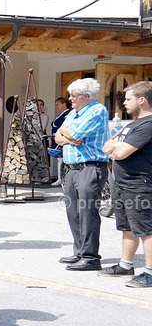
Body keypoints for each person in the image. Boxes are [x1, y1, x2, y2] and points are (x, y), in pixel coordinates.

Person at [55, 77, 110, 271]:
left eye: (74, 95)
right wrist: (66, 135)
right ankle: (79, 251)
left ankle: (90, 257)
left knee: (88, 213)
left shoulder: (97, 110)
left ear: (86, 96)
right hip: (72, 169)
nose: (70, 98)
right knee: (73, 212)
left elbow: (75, 135)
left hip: (90, 167)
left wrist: (67, 134)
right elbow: (58, 136)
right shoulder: (73, 113)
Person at [100, 81, 152, 287]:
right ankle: (125, 265)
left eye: (128, 99)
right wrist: (115, 147)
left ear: (142, 100)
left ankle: (149, 272)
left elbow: (119, 152)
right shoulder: (132, 124)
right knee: (128, 227)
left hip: (140, 185)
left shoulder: (148, 125)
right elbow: (106, 147)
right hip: (122, 184)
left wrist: (115, 147)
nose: (124, 103)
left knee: (146, 229)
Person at [50, 96, 71, 186]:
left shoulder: (68, 114)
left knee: (62, 159)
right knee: (59, 159)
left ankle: (61, 178)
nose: (57, 106)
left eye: (58, 104)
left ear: (64, 104)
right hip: (56, 139)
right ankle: (60, 177)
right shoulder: (60, 114)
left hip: (62, 139)